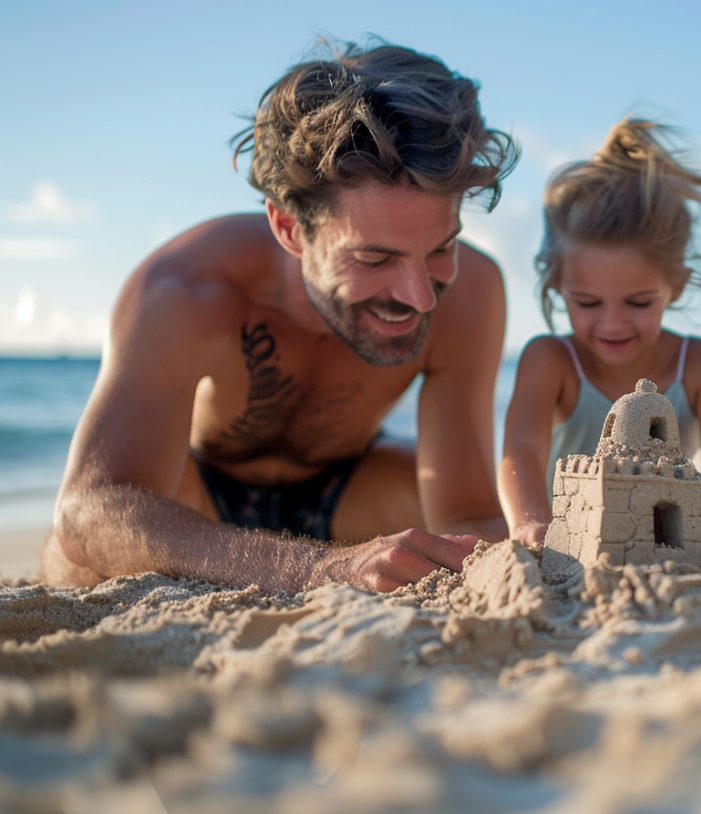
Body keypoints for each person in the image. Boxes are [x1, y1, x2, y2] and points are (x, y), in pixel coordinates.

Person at [44, 41, 520, 593]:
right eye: (373, 258)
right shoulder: (188, 290)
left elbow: (464, 512)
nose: (420, 297)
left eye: (441, 249)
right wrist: (317, 570)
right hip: (202, 502)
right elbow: (88, 508)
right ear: (290, 229)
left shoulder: (473, 293)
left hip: (351, 492)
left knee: (448, 531)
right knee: (75, 557)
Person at [498, 119, 701, 550]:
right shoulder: (551, 360)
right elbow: (520, 450)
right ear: (557, 286)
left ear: (678, 285)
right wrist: (529, 526)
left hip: (651, 542)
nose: (613, 324)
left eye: (638, 303)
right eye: (588, 303)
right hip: (562, 541)